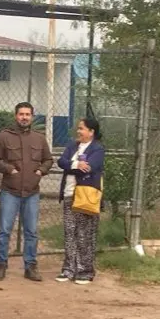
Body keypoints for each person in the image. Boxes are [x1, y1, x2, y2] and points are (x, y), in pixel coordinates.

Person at [0, 102, 53, 282]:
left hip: (32, 192)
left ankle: (30, 267)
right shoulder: (4, 136)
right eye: (21, 114)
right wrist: (9, 169)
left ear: (32, 117)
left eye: (28, 114)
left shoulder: (39, 138)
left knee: (31, 231)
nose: (24, 117)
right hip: (10, 191)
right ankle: (0, 265)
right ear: (15, 116)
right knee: (4, 231)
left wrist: (40, 171)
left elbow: (48, 160)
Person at [57, 118, 105, 284]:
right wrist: (76, 163)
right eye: (78, 128)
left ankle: (85, 270)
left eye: (82, 129)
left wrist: (72, 165)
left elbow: (90, 167)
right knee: (70, 232)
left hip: (85, 196)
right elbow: (61, 162)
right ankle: (68, 269)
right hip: (70, 194)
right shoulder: (72, 146)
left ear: (91, 131)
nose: (79, 131)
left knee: (84, 234)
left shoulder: (97, 148)